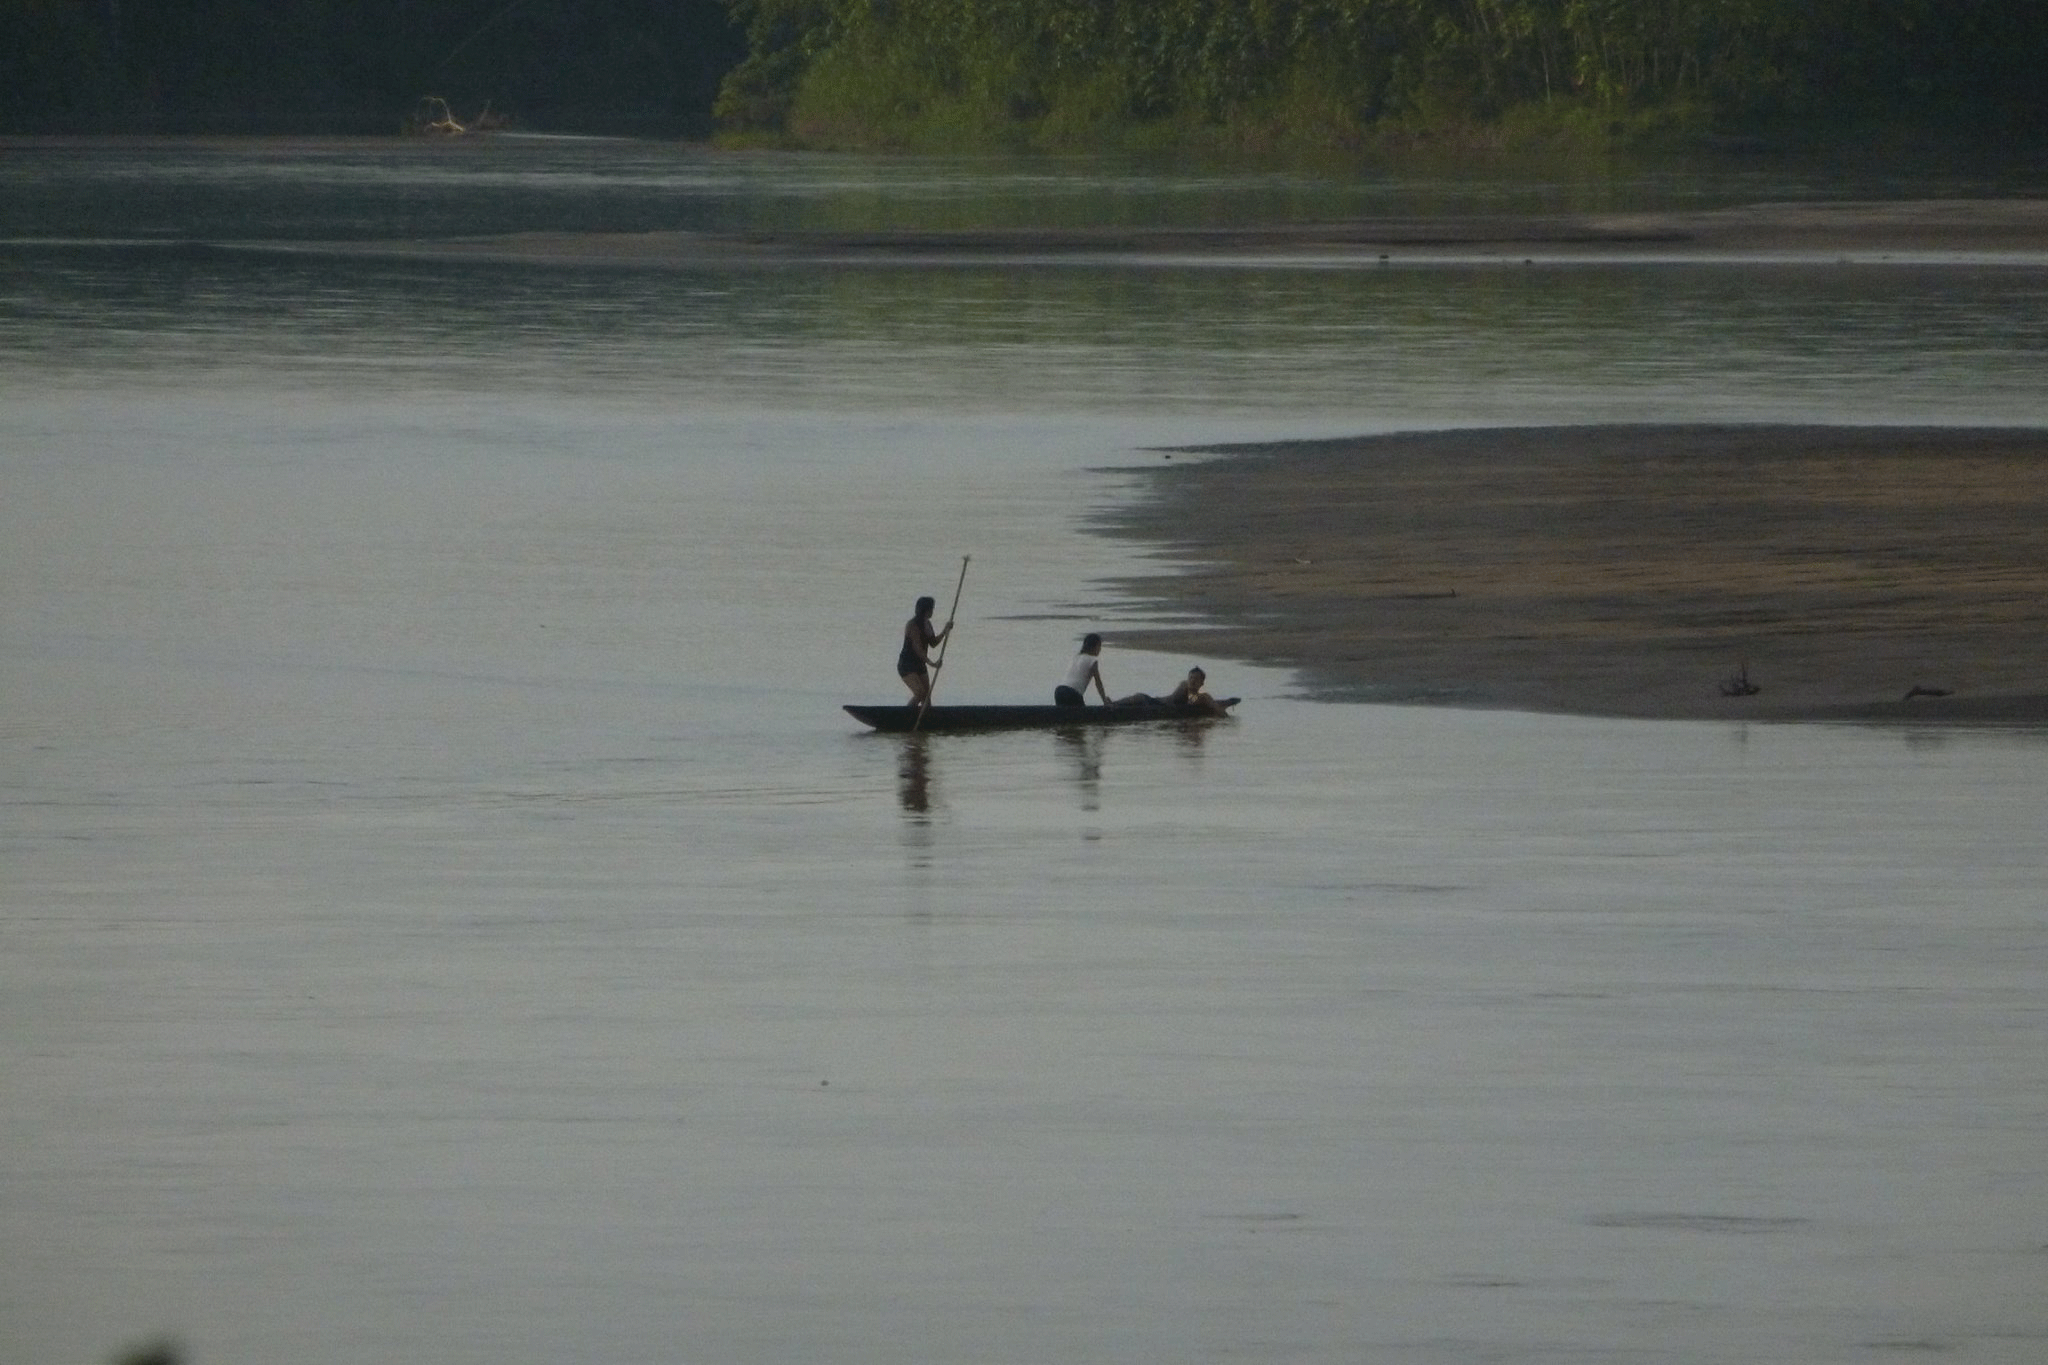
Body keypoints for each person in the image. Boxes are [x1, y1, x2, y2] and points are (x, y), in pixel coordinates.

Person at [898, 595, 952, 708]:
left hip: (920, 665)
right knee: (920, 693)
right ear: (927, 610)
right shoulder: (912, 625)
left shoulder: (927, 623)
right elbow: (918, 649)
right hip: (907, 665)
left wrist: (945, 631)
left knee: (926, 699)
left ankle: (926, 720)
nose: (933, 611)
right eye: (932, 609)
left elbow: (933, 643)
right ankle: (905, 716)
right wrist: (932, 663)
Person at [1054, 633, 1110, 706]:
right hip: (1072, 694)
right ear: (1095, 646)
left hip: (1059, 691)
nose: (1100, 649)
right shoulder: (1092, 660)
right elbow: (1098, 683)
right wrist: (1105, 701)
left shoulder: (1076, 657)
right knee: (1082, 717)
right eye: (1099, 646)